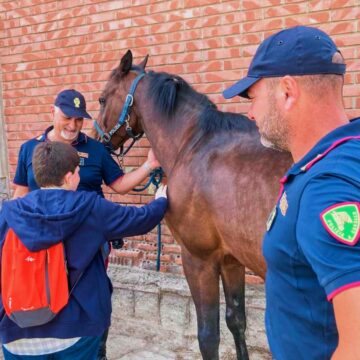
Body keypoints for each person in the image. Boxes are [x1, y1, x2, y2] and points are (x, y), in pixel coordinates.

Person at [223, 26, 360, 359]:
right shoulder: (343, 155)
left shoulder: (327, 189)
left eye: (253, 97)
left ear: (287, 91)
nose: (251, 113)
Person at [12, 89, 160, 359]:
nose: (73, 126)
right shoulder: (29, 149)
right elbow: (19, 194)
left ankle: (94, 345)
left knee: (93, 288)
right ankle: (50, 333)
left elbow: (119, 184)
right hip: (41, 240)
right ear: (53, 112)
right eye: (67, 118)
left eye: (79, 120)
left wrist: (149, 166)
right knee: (42, 286)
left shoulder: (95, 149)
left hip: (89, 236)